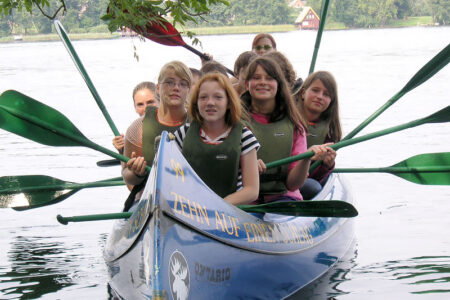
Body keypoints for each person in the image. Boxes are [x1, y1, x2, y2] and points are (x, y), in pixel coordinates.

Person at [241, 57, 332, 203]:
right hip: (243, 198)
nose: (263, 82)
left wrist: (306, 158)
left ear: (278, 85)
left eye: (269, 78)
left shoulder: (295, 125)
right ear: (247, 84)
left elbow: (293, 184)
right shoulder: (233, 120)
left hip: (283, 198)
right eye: (256, 78)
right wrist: (246, 166)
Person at [174, 73, 260, 205]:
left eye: (218, 97)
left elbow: (252, 190)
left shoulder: (245, 136)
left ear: (229, 103)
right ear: (196, 103)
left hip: (230, 211)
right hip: (189, 209)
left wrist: (218, 205)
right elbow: (170, 178)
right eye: (203, 97)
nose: (210, 103)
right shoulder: (182, 134)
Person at [121, 61, 192, 210]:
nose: (176, 88)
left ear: (189, 90)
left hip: (192, 201)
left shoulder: (200, 123)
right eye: (169, 82)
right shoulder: (137, 128)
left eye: (183, 84)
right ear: (158, 88)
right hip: (148, 201)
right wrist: (136, 172)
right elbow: (128, 178)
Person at [295, 71, 341, 199]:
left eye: (326, 94)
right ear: (303, 93)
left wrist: (327, 165)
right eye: (315, 90)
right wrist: (306, 157)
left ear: (331, 101)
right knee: (313, 187)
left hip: (308, 178)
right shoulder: (288, 119)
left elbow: (317, 176)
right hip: (287, 178)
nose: (320, 96)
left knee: (323, 183)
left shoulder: (330, 131)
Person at [113, 81, 159, 153]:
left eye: (150, 102)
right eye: (140, 104)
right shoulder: (133, 134)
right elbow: (128, 161)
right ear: (135, 108)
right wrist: (123, 150)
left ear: (161, 102)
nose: (146, 108)